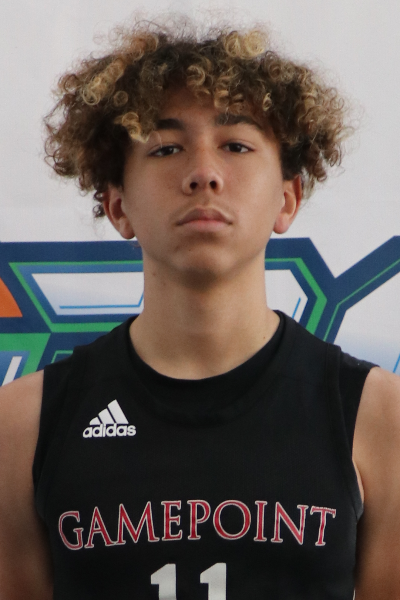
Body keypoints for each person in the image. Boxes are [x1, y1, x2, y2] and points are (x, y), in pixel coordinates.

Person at [0, 16, 399, 600]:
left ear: (287, 199)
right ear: (117, 205)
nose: (204, 174)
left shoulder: (379, 417)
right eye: (167, 148)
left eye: (236, 145)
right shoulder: (21, 426)